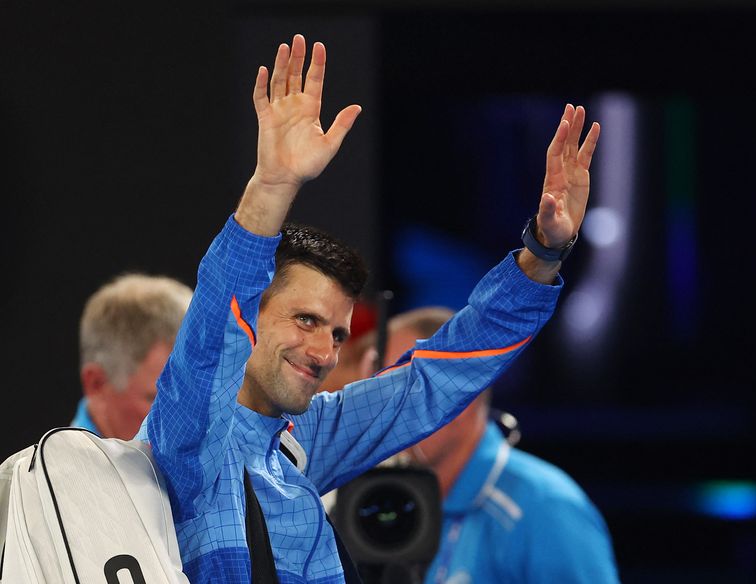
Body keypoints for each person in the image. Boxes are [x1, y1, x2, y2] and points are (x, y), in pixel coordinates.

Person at [136, 33, 600, 583]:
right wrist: (273, 186)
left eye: (336, 333)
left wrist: (543, 254)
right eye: (305, 320)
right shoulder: (189, 442)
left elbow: (438, 376)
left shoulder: (299, 443)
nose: (323, 352)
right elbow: (214, 326)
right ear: (249, 320)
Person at [380, 307, 620, 584]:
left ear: (466, 395)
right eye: (383, 392)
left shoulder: (544, 506)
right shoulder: (399, 504)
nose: (389, 413)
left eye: (408, 390)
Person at [72, 273, 193, 439]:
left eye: (198, 395)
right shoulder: (49, 464)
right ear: (96, 384)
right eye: (163, 401)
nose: (192, 425)